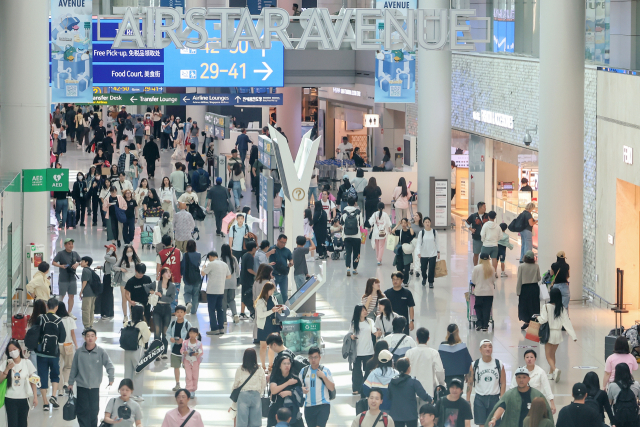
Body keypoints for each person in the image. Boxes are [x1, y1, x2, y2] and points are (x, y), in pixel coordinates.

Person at [69, 328, 115, 427]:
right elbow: (74, 368)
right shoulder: (79, 352)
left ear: (96, 338)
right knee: (82, 410)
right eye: (88, 336)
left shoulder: (101, 352)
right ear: (85, 338)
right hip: (81, 386)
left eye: (92, 336)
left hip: (94, 387)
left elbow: (109, 365)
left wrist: (111, 378)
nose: (90, 338)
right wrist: (70, 382)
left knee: (94, 410)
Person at [486, 366, 551, 427]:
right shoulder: (509, 394)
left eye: (524, 377)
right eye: (519, 377)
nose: (521, 380)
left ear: (529, 379)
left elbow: (546, 412)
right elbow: (501, 407)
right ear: (516, 379)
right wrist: (494, 418)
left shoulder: (537, 395)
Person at [537, 287, 577, 382]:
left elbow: (543, 320)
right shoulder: (562, 308)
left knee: (547, 355)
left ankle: (555, 370)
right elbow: (567, 323)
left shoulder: (546, 306)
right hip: (558, 334)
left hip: (549, 333)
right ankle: (550, 374)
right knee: (553, 354)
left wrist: (538, 317)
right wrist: (573, 336)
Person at [34, 297, 66, 410]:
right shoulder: (59, 320)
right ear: (56, 307)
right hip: (54, 353)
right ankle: (53, 396)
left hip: (41, 353)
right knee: (55, 375)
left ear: (47, 306)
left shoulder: (41, 318)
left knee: (42, 377)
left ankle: (45, 403)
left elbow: (35, 332)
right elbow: (62, 339)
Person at [466, 339, 506, 427]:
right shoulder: (474, 365)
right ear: (480, 350)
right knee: (482, 425)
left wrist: (502, 399)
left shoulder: (499, 364)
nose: (487, 349)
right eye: (485, 347)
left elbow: (503, 382)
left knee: (495, 423)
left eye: (490, 346)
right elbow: (469, 383)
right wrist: (468, 400)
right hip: (480, 399)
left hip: (494, 398)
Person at [2, 340, 38, 426]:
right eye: (10, 351)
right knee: (12, 423)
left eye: (14, 349)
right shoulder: (6, 363)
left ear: (19, 349)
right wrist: (7, 369)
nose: (12, 352)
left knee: (23, 423)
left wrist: (35, 397)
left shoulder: (26, 363)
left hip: (24, 398)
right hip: (10, 398)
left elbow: (33, 381)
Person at [509, 350, 556, 414]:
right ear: (524, 359)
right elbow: (512, 387)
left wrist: (552, 403)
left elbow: (547, 387)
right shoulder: (519, 371)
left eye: (531, 357)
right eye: (527, 357)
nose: (529, 359)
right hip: (522, 401)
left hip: (536, 402)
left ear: (535, 359)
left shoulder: (540, 372)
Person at [389, 358, 432, 427]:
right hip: (411, 415)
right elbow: (423, 394)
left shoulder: (392, 382)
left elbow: (389, 396)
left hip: (395, 415)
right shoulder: (413, 381)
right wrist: (430, 399)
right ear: (409, 368)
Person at [299, 346, 335, 427]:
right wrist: (301, 389)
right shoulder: (304, 371)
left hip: (323, 405)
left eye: (315, 357)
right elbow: (298, 387)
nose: (313, 360)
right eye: (311, 357)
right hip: (309, 406)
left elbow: (332, 387)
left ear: (320, 357)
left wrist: (323, 377)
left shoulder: (325, 370)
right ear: (308, 358)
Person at [406, 328, 445, 401]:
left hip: (412, 391)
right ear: (428, 338)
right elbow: (440, 370)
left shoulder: (409, 353)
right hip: (429, 391)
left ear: (417, 339)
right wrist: (441, 383)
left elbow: (405, 370)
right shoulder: (434, 353)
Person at [231, 348, 267, 427]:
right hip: (256, 396)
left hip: (243, 396)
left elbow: (236, 384)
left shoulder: (240, 369)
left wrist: (233, 394)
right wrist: (259, 393)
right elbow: (263, 383)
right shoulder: (260, 369)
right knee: (255, 422)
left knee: (242, 422)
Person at [122, 305, 150, 402]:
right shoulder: (142, 324)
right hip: (138, 349)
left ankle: (126, 393)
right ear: (142, 313)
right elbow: (146, 338)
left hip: (127, 350)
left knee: (127, 372)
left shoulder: (127, 323)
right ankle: (137, 395)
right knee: (138, 371)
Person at [268, 357, 305, 427]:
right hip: (277, 410)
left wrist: (290, 393)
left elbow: (300, 395)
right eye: (284, 363)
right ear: (280, 366)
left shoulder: (295, 378)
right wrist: (287, 383)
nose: (287, 365)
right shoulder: (275, 377)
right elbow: (274, 390)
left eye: (288, 363)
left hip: (292, 411)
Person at [202, 250, 232, 335]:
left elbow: (203, 273)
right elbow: (229, 276)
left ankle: (214, 329)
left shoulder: (211, 264)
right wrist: (221, 278)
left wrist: (203, 267)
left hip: (212, 290)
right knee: (220, 309)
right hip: (221, 290)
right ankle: (221, 328)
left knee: (211, 310)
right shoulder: (224, 264)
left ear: (210, 257)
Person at [150, 267, 177, 361]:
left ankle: (165, 351)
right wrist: (153, 292)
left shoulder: (172, 286)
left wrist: (161, 297)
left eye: (170, 272)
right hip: (157, 308)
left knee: (165, 332)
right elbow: (146, 287)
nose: (169, 274)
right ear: (162, 274)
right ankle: (156, 352)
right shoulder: (157, 284)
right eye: (166, 272)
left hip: (167, 309)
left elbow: (171, 299)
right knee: (157, 331)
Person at [256, 282, 284, 370]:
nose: (272, 292)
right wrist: (272, 311)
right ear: (267, 290)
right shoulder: (260, 301)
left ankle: (270, 365)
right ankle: (263, 366)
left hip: (273, 324)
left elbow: (274, 309)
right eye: (271, 290)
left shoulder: (273, 298)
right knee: (263, 346)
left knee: (272, 346)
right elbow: (260, 315)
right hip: (264, 325)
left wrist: (278, 310)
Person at [52, 238, 81, 319]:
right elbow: (53, 262)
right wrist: (61, 266)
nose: (71, 245)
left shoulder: (75, 254)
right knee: (62, 296)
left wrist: (77, 264)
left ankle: (69, 312)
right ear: (65, 245)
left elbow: (81, 261)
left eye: (71, 244)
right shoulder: (61, 253)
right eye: (69, 244)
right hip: (63, 278)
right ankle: (58, 312)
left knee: (71, 296)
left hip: (72, 278)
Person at [350, 304, 376, 395]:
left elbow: (374, 332)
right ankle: (356, 388)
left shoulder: (370, 321)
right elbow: (349, 333)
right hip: (357, 351)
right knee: (356, 371)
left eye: (365, 310)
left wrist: (378, 333)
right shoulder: (354, 323)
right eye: (363, 310)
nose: (365, 312)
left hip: (368, 350)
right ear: (358, 312)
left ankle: (365, 387)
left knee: (368, 370)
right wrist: (351, 336)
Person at [167, 306, 193, 391]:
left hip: (185, 350)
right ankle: (177, 383)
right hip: (175, 348)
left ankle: (188, 384)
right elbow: (168, 333)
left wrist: (184, 341)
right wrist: (171, 338)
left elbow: (192, 336)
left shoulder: (187, 324)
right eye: (177, 312)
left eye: (181, 312)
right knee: (176, 367)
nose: (179, 314)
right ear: (175, 313)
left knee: (187, 367)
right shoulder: (173, 323)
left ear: (185, 313)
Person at [517, 251, 541, 329]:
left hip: (525, 288)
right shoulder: (536, 266)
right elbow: (538, 278)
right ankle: (534, 322)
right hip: (534, 287)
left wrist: (518, 291)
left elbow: (519, 279)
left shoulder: (521, 266)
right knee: (534, 305)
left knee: (524, 305)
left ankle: (526, 321)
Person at [471, 253, 495, 331]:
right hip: (489, 292)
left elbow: (473, 281)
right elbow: (493, 280)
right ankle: (485, 325)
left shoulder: (476, 268)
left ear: (480, 259)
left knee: (478, 307)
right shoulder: (491, 268)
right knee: (487, 308)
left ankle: (479, 324)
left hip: (479, 292)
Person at [416, 216, 440, 288]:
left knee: (431, 268)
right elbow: (419, 243)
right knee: (423, 268)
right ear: (423, 223)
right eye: (426, 222)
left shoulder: (434, 232)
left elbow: (437, 242)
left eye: (428, 222)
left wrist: (438, 251)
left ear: (430, 223)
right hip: (423, 254)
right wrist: (418, 252)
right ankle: (424, 278)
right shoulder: (421, 232)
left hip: (433, 253)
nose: (427, 223)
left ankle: (431, 282)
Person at [218, 244, 240, 325]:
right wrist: (235, 278)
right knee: (231, 299)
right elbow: (238, 272)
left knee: (223, 301)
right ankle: (234, 314)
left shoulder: (220, 260)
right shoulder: (234, 259)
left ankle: (224, 319)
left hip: (223, 283)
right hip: (232, 283)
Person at [342, 197, 363, 276]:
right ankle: (354, 269)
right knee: (356, 253)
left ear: (347, 203)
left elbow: (342, 222)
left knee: (348, 252)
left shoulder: (344, 211)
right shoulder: (358, 211)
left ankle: (348, 268)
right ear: (355, 203)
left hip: (347, 235)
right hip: (356, 236)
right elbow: (361, 223)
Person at [180, 240, 202, 315]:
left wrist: (181, 274)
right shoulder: (198, 254)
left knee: (187, 293)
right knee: (196, 294)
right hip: (196, 277)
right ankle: (194, 311)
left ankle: (188, 302)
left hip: (187, 277)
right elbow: (198, 264)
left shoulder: (184, 255)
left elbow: (182, 266)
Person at [269, 234, 293, 303]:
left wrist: (291, 263)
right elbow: (266, 257)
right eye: (282, 242)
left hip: (284, 275)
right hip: (274, 274)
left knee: (284, 294)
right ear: (278, 240)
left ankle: (284, 308)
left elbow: (291, 259)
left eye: (285, 242)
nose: (283, 244)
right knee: (273, 293)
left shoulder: (287, 251)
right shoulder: (272, 249)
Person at [391, 219, 416, 285]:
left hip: (407, 251)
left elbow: (412, 234)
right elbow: (392, 231)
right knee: (399, 268)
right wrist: (397, 224)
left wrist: (410, 226)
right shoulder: (400, 232)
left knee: (407, 268)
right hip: (400, 251)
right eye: (402, 223)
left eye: (405, 223)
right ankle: (400, 280)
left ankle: (405, 281)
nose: (403, 224)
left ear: (407, 223)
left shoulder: (409, 231)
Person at [180, 327, 203, 397]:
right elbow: (181, 350)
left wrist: (197, 353)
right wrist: (184, 352)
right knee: (188, 376)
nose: (192, 334)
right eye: (190, 333)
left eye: (194, 333)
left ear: (197, 334)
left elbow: (201, 352)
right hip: (187, 361)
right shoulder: (185, 342)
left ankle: (193, 389)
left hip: (195, 362)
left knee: (195, 376)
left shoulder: (199, 343)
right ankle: (188, 390)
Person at [239, 242, 257, 321]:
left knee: (244, 295)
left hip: (243, 278)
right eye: (255, 248)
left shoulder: (245, 255)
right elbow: (249, 269)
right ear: (253, 248)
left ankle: (242, 313)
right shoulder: (250, 257)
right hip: (248, 280)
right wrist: (257, 274)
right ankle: (251, 312)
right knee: (249, 296)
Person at [480, 211, 501, 275]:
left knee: (484, 259)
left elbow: (482, 234)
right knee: (494, 259)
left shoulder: (485, 225)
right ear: (494, 217)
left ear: (488, 217)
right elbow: (501, 236)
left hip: (486, 245)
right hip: (495, 245)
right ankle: (494, 273)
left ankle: (484, 272)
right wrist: (496, 240)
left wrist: (483, 240)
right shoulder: (497, 226)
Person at [79, 256, 97, 329]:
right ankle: (90, 324)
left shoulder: (85, 270)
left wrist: (81, 291)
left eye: (82, 261)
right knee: (91, 309)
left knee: (85, 309)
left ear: (86, 262)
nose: (81, 262)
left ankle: (86, 325)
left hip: (87, 293)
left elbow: (85, 282)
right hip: (93, 293)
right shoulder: (90, 270)